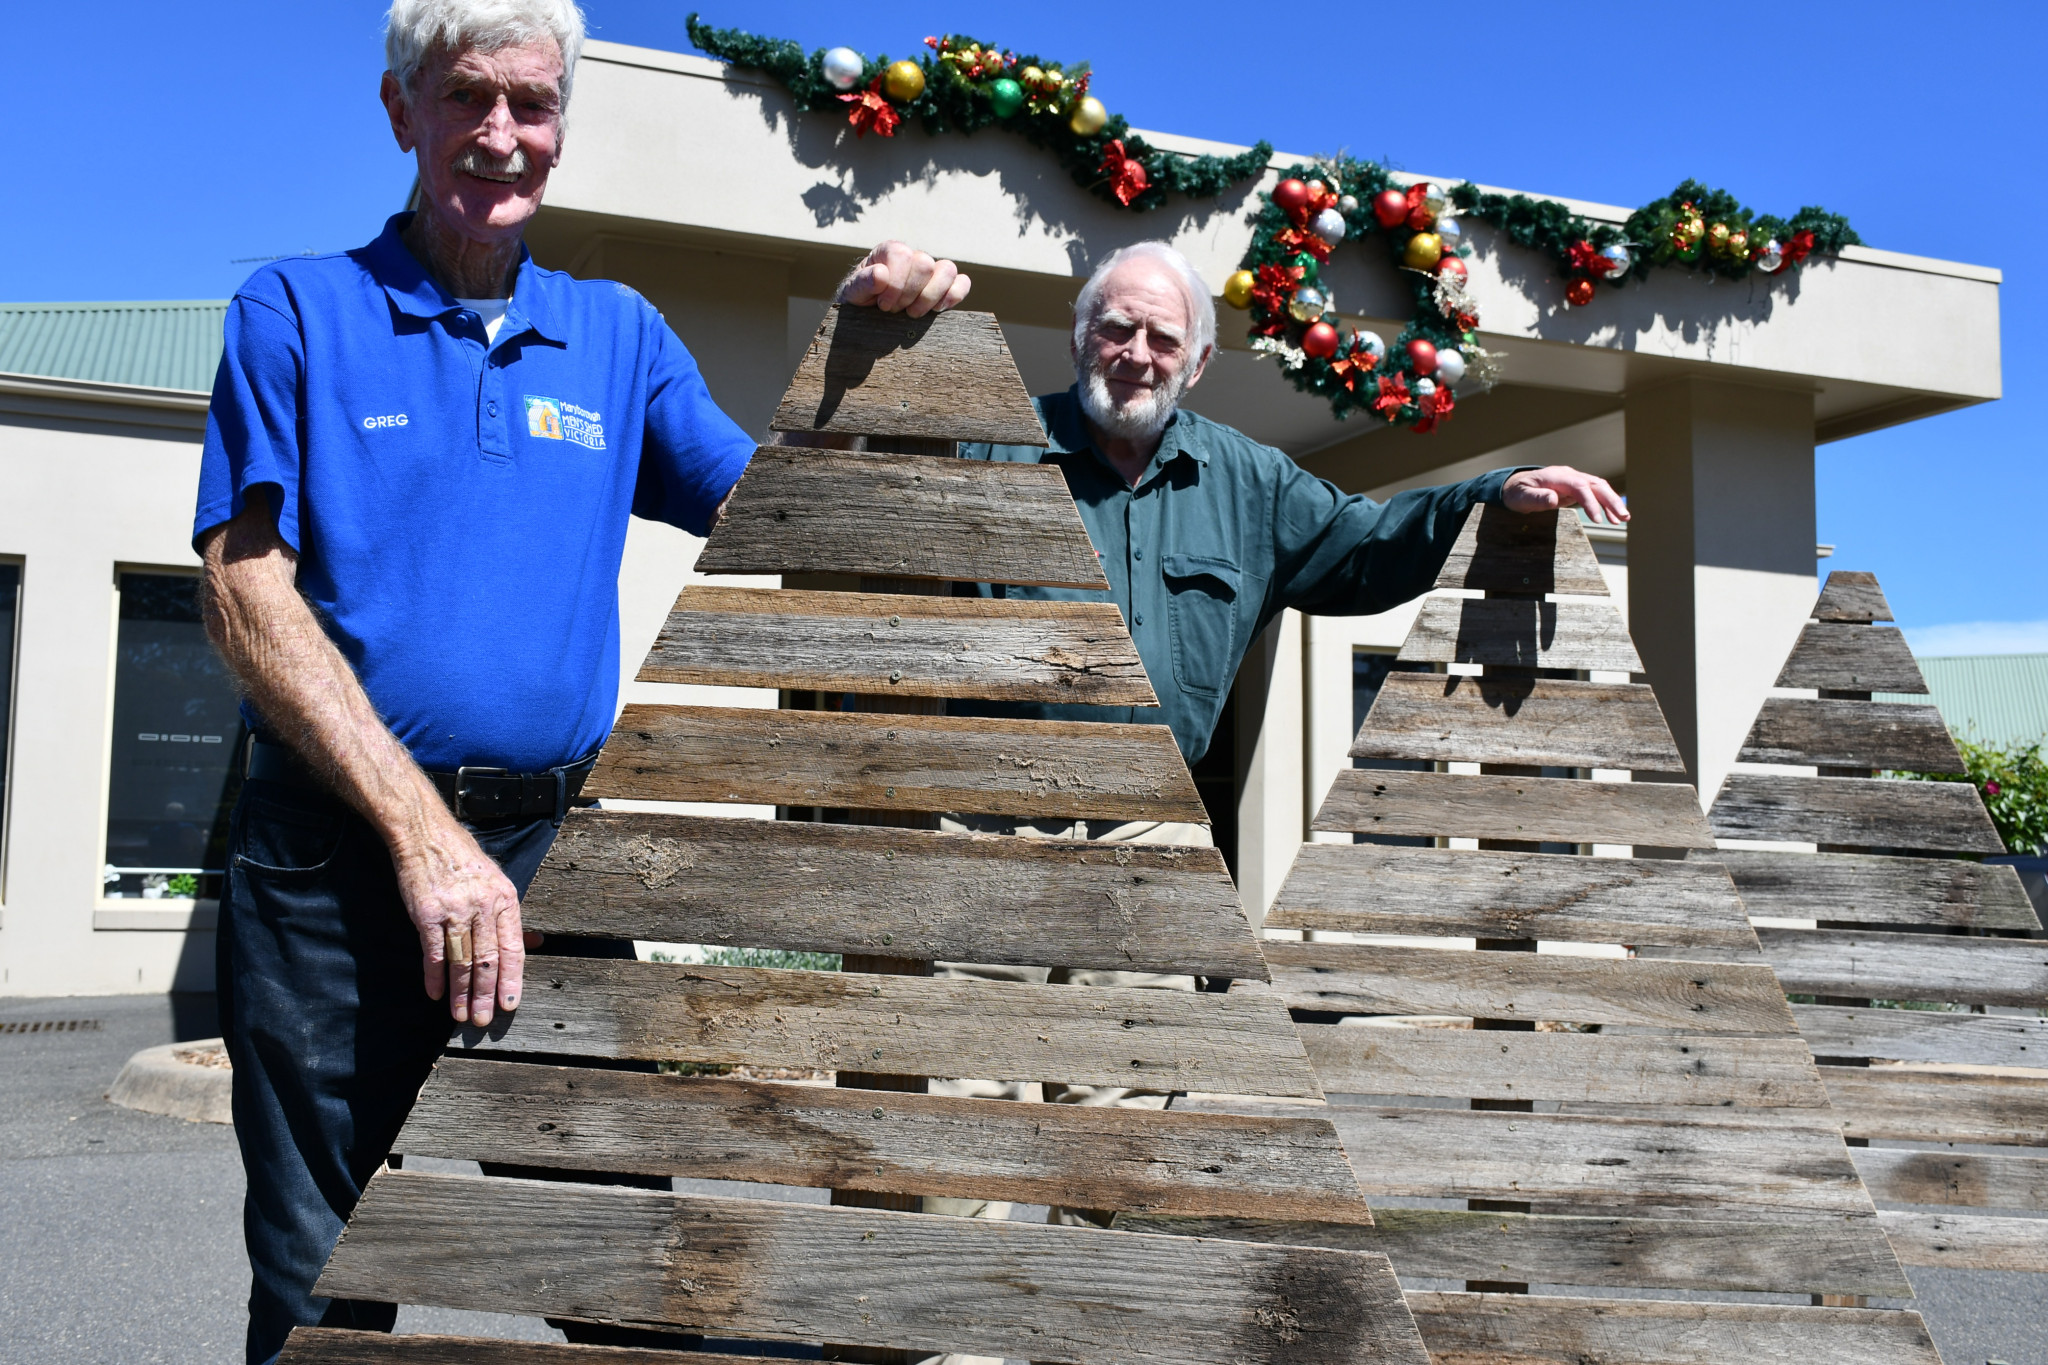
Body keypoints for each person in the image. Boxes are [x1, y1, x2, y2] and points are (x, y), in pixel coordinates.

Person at [193, 2, 970, 1360]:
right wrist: (423, 838)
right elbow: (244, 591)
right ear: (402, 113)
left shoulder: (617, 337)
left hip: (552, 857)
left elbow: (774, 513)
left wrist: (856, 344)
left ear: (563, 124)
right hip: (328, 871)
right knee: (327, 1286)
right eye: (468, 99)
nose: (502, 136)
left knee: (617, 1259)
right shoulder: (300, 311)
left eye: (533, 105)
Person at [920, 240, 1627, 1252]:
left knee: (1123, 1149)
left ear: (1196, 363)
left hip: (1141, 843)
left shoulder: (1246, 483)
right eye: (1114, 328)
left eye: (1162, 337)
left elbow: (1371, 547)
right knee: (947, 1136)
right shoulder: (985, 448)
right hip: (978, 835)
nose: (1135, 353)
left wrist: (1493, 493)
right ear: (1080, 337)